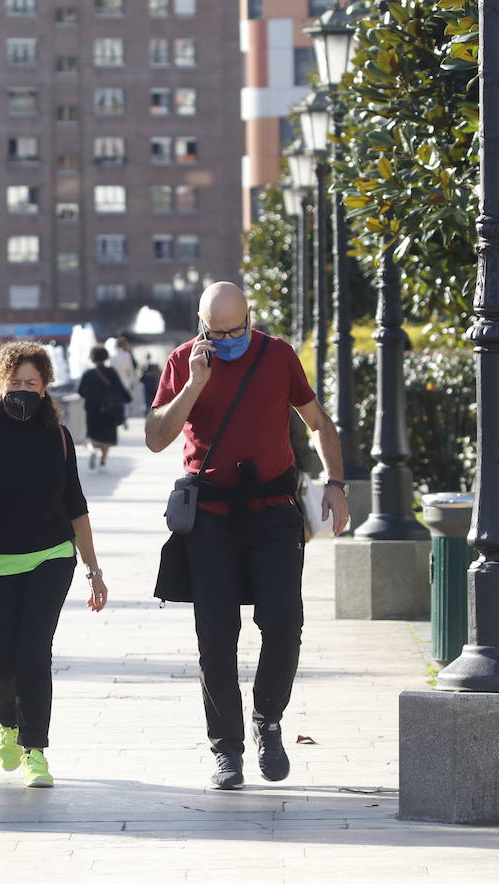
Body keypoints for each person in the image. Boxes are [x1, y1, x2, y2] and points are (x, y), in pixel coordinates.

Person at [145, 281, 349, 791]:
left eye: (235, 330)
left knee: (283, 624)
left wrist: (337, 484)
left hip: (272, 515)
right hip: (210, 518)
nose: (228, 340)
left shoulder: (277, 356)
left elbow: (319, 422)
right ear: (201, 325)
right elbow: (154, 438)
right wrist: (193, 384)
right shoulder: (182, 361)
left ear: (250, 317)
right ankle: (227, 751)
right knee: (216, 641)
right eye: (217, 332)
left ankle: (268, 721)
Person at [0, 341, 109, 788]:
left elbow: (76, 506)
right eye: (15, 382)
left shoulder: (57, 437)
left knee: (33, 655)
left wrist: (93, 571)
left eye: (32, 383)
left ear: (45, 388)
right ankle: (8, 723)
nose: (22, 390)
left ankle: (35, 751)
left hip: (51, 557)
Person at [77, 345, 133, 472]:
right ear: (105, 357)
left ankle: (91, 451)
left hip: (92, 410)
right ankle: (102, 462)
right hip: (109, 410)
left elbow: (80, 391)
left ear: (92, 357)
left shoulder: (88, 374)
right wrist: (127, 398)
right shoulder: (111, 372)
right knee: (107, 438)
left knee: (92, 436)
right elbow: (119, 388)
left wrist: (91, 395)